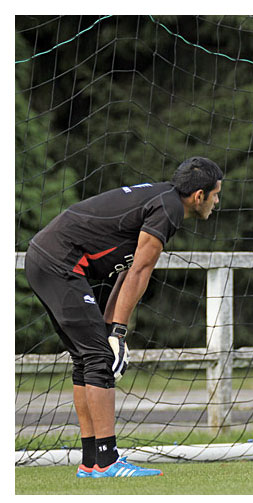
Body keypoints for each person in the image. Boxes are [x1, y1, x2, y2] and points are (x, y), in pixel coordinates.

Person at [24, 156, 223, 477]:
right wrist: (118, 332)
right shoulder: (169, 209)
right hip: (59, 263)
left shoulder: (162, 199)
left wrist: (110, 327)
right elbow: (141, 271)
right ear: (198, 196)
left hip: (44, 259)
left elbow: (126, 270)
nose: (217, 201)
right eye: (215, 194)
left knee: (87, 358)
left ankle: (91, 462)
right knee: (99, 358)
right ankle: (108, 461)